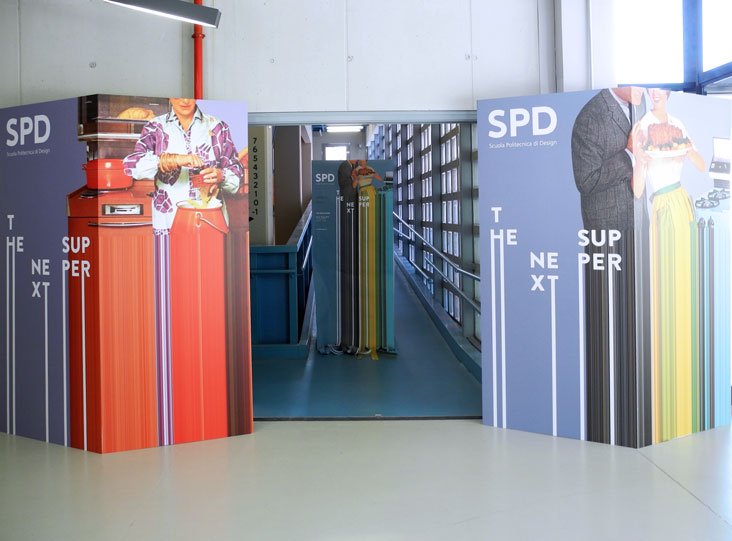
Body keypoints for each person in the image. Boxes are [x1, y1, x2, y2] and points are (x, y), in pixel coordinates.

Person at [123, 98, 244, 445]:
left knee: (210, 311)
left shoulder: (217, 126)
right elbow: (133, 166)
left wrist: (222, 175)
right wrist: (170, 159)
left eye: (189, 95)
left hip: (210, 222)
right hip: (166, 226)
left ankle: (209, 397)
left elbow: (236, 176)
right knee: (169, 310)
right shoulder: (156, 127)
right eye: (178, 95)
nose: (184, 99)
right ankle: (169, 399)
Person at [571, 87, 647, 447]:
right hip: (608, 237)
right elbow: (586, 181)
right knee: (608, 323)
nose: (644, 90)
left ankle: (633, 404)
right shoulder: (591, 116)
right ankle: (605, 410)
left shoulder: (640, 107)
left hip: (638, 229)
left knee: (636, 320)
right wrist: (628, 154)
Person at [630, 88, 705, 444]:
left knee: (682, 283)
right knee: (665, 285)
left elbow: (700, 164)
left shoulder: (677, 125)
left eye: (660, 88)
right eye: (651, 88)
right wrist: (642, 162)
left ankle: (683, 368)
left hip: (680, 202)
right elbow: (637, 191)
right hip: (660, 206)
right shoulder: (641, 128)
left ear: (668, 93)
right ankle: (666, 372)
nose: (654, 93)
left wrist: (687, 149)